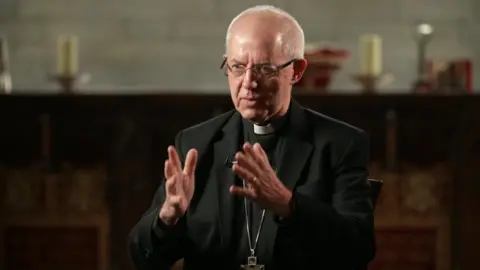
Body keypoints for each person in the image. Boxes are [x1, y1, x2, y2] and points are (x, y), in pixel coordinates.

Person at [128, 5, 375, 270]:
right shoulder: (196, 145)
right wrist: (168, 217)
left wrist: (289, 206)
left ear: (297, 70)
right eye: (236, 67)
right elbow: (145, 258)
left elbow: (358, 248)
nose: (248, 82)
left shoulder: (339, 144)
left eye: (265, 69)